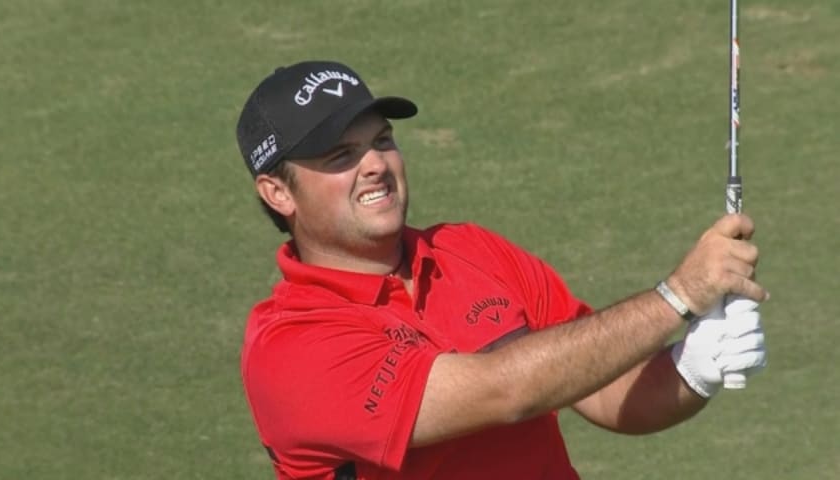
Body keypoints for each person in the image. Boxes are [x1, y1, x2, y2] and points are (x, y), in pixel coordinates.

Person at [234, 60, 768, 480]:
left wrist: (692, 367)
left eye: (381, 140)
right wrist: (676, 296)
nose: (375, 164)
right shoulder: (290, 346)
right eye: (340, 156)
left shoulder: (469, 249)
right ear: (278, 192)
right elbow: (504, 392)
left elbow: (608, 390)